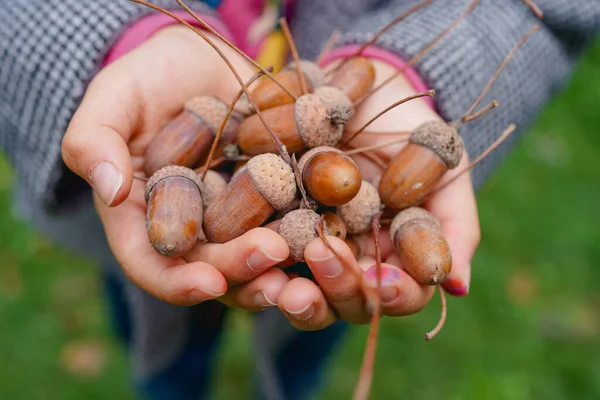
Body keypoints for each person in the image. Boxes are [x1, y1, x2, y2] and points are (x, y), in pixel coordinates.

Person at [1, 0, 598, 399]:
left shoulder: (342, 178)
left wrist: (415, 70)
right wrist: (124, 38)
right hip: (174, 143)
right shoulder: (234, 142)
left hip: (320, 235)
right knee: (157, 323)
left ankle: (283, 380)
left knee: (309, 325)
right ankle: (168, 381)